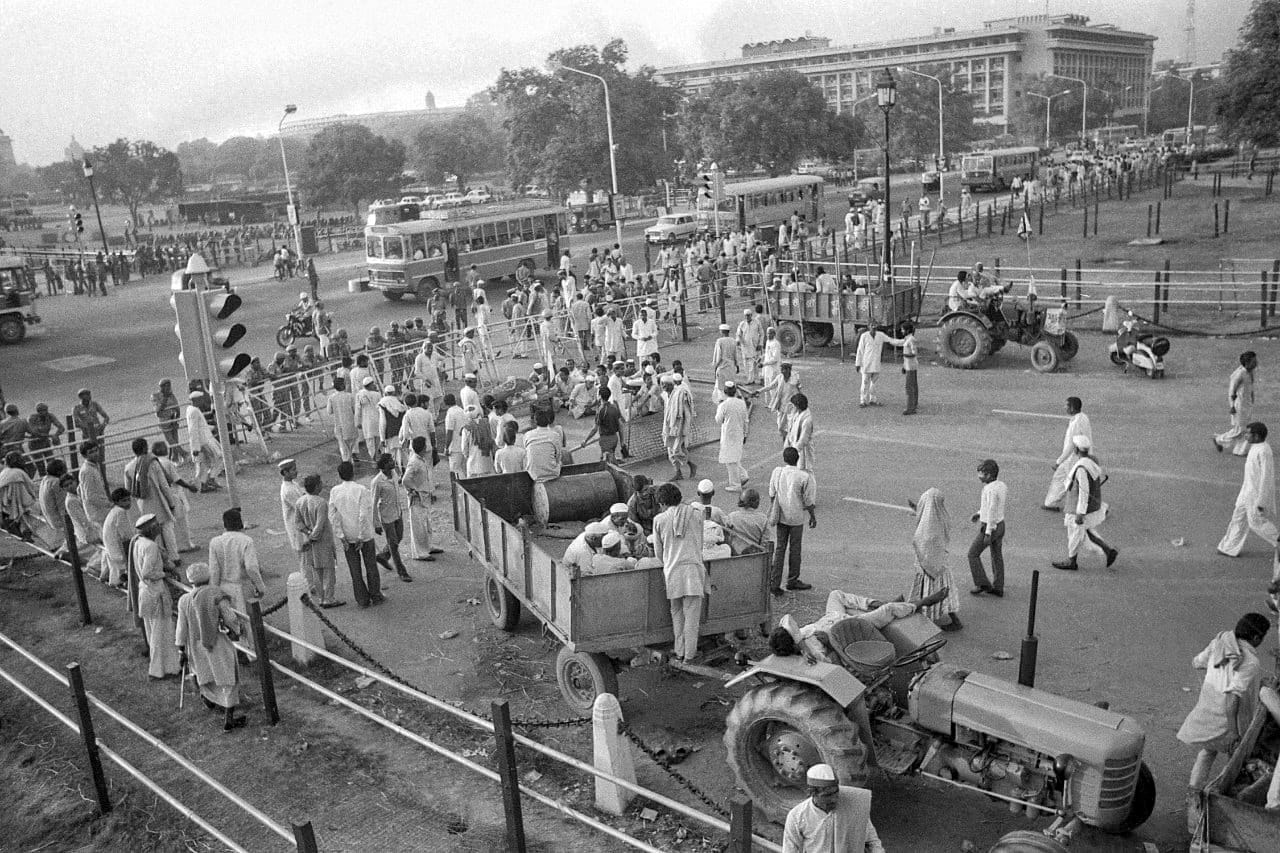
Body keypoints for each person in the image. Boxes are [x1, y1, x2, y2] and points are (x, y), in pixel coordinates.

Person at [1176, 614, 1272, 790]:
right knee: (1236, 757)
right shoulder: (1250, 662)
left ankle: (1194, 790)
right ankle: (1221, 792)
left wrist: (1217, 668)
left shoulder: (1220, 643)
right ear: (1257, 637)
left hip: (1209, 709)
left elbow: (1197, 663)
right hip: (1233, 718)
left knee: (1207, 751)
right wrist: (1233, 732)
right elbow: (1232, 698)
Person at [175, 562, 247, 731]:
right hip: (216, 642)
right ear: (209, 577)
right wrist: (238, 630)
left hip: (195, 644)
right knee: (228, 677)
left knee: (205, 675)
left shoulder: (184, 600)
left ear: (191, 581)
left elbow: (181, 627)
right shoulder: (216, 595)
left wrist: (181, 649)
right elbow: (229, 618)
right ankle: (229, 719)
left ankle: (211, 700)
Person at [652, 483, 707, 664]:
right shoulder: (696, 514)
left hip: (672, 572)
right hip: (693, 570)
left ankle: (680, 651)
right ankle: (689, 656)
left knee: (676, 613)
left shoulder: (659, 520)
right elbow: (700, 544)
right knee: (692, 617)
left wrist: (669, 561)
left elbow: (658, 554)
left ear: (662, 503)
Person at [782, 763, 884, 853]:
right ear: (812, 793)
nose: (834, 799)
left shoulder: (854, 805)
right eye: (827, 795)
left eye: (836, 793)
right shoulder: (797, 816)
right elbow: (790, 849)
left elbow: (872, 841)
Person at [128, 514, 182, 680]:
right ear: (151, 529)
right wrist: (165, 573)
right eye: (157, 525)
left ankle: (165, 666)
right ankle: (162, 669)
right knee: (162, 633)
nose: (159, 527)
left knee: (154, 632)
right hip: (155, 591)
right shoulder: (150, 546)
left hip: (146, 592)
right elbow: (147, 572)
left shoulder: (138, 542)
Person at [1052, 436, 1119, 571]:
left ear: (1076, 449)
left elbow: (1083, 492)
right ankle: (1107, 550)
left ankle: (1072, 560)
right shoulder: (1092, 462)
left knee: (1075, 533)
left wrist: (1080, 513)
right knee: (1086, 531)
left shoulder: (1081, 468)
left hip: (1078, 507)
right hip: (1090, 506)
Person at [1217, 422, 1279, 558]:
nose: (1245, 435)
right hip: (1247, 491)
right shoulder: (1256, 447)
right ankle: (1229, 546)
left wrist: (1262, 501)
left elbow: (1266, 478)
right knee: (1238, 517)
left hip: (1255, 494)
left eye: (1248, 433)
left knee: (1256, 522)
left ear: (1256, 436)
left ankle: (1278, 541)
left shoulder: (1264, 451)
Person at [207, 508, 265, 650]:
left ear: (225, 525)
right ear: (240, 523)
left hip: (223, 586)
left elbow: (214, 571)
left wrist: (214, 592)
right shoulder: (246, 541)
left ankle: (237, 649)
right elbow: (251, 567)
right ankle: (251, 651)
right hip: (242, 585)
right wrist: (260, 586)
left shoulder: (215, 542)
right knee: (247, 620)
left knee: (230, 620)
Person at [329, 461, 383, 607]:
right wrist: (360, 535)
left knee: (355, 569)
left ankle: (362, 599)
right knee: (370, 565)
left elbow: (332, 516)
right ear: (353, 473)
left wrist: (341, 536)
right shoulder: (361, 489)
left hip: (347, 535)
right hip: (363, 535)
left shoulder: (335, 491)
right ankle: (376, 595)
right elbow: (363, 514)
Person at [908, 487, 961, 630]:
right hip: (941, 564)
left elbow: (922, 540)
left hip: (929, 565)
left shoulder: (929, 527)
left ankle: (926, 618)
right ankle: (951, 619)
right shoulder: (941, 516)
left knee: (930, 591)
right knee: (943, 592)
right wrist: (916, 509)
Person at [768, 446, 818, 596]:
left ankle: (774, 582)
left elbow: (772, 493)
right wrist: (812, 516)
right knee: (795, 549)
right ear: (798, 459)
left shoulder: (777, 472)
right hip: (796, 517)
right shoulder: (804, 477)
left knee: (780, 548)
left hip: (781, 515)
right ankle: (792, 580)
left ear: (784, 459)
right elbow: (809, 501)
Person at [124, 436, 179, 563]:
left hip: (142, 504)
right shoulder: (152, 462)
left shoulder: (128, 467)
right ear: (145, 448)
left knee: (152, 533)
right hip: (158, 500)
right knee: (167, 528)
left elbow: (129, 490)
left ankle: (160, 559)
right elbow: (164, 485)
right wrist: (171, 502)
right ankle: (174, 557)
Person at [295, 473, 342, 607]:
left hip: (310, 541)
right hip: (322, 541)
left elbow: (298, 523)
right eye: (320, 483)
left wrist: (307, 533)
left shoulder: (300, 501)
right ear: (316, 487)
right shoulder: (321, 502)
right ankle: (328, 598)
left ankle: (321, 598)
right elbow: (320, 525)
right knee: (328, 570)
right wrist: (312, 537)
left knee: (317, 571)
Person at [1044, 397, 1093, 509]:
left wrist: (1058, 461)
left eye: (1066, 405)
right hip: (1081, 456)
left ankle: (1051, 503)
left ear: (1071, 408)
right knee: (1075, 481)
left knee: (1065, 480)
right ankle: (1050, 502)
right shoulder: (1083, 418)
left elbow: (1071, 445)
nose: (1064, 408)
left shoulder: (1075, 423)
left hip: (1073, 458)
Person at [370, 453, 413, 582]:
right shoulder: (377, 482)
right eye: (389, 461)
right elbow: (373, 503)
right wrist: (376, 523)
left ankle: (384, 555)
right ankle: (402, 571)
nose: (392, 462)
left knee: (399, 537)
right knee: (393, 544)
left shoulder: (394, 474)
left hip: (397, 512)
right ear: (383, 467)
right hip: (386, 516)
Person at [968, 459, 1007, 597]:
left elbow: (991, 510)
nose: (979, 476)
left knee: (973, 554)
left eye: (982, 474)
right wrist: (979, 513)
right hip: (1001, 524)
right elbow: (992, 507)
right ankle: (998, 586)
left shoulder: (989, 490)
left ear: (989, 475)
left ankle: (982, 583)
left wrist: (988, 532)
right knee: (997, 555)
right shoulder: (1001, 485)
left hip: (991, 526)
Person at [401, 436, 442, 561]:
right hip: (418, 497)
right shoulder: (414, 462)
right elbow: (405, 480)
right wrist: (413, 490)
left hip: (425, 495)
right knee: (418, 525)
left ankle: (428, 546)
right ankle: (420, 553)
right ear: (423, 447)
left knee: (426, 523)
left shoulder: (421, 459)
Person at [1214, 352, 1258, 456]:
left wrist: (1252, 398)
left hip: (1247, 403)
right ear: (1247, 363)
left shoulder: (1251, 372)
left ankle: (1239, 450)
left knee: (1244, 428)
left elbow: (1250, 387)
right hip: (1239, 405)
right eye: (1253, 362)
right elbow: (1232, 391)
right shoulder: (1239, 374)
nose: (1256, 363)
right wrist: (1232, 406)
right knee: (1240, 429)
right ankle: (1219, 439)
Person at [853, 323, 903, 408]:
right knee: (865, 383)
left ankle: (873, 399)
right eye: (872, 325)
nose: (873, 327)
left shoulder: (880, 335)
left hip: (876, 363)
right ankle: (863, 400)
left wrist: (904, 341)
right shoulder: (864, 336)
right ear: (868, 326)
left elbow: (891, 340)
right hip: (866, 363)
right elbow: (860, 350)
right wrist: (858, 363)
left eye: (875, 325)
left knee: (874, 383)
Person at [715, 381, 749, 492]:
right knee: (735, 457)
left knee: (730, 460)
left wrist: (719, 406)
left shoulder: (723, 405)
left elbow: (718, 420)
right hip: (739, 433)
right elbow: (746, 420)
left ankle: (735, 484)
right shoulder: (742, 403)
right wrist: (745, 433)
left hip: (728, 435)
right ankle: (743, 476)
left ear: (725, 392)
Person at [186, 391, 223, 492]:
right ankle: (211, 479)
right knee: (219, 456)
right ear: (196, 400)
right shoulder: (194, 411)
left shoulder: (192, 410)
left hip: (203, 439)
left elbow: (200, 427)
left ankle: (204, 483)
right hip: (205, 440)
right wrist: (195, 447)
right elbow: (193, 429)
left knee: (205, 463)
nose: (203, 401)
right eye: (201, 399)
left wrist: (212, 428)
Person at [100, 487, 133, 587]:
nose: (127, 503)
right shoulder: (120, 512)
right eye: (124, 501)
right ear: (117, 502)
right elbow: (126, 537)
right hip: (118, 550)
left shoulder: (114, 511)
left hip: (110, 548)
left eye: (128, 499)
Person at [152, 379, 190, 464]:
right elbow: (158, 411)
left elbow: (177, 406)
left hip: (173, 419)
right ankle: (184, 454)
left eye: (169, 385)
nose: (168, 387)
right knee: (171, 441)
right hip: (164, 421)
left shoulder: (171, 395)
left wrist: (177, 419)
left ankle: (175, 458)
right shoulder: (156, 396)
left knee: (175, 440)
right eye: (166, 385)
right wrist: (165, 398)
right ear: (162, 387)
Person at [584, 387, 624, 464]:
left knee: (606, 463)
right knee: (610, 458)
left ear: (599, 396)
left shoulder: (601, 410)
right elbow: (620, 426)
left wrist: (585, 441)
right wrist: (622, 441)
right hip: (614, 438)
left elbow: (594, 429)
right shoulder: (614, 407)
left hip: (605, 439)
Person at [279, 459, 305, 572]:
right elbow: (301, 507)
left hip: (299, 525)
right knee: (304, 559)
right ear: (285, 472)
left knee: (306, 557)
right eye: (293, 470)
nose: (296, 472)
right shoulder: (288, 490)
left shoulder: (293, 484)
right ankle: (308, 585)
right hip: (296, 527)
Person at [727, 488, 771, 555]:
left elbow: (726, 537)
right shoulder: (763, 519)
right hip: (755, 556)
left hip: (735, 556)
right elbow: (764, 543)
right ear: (757, 502)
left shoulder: (732, 517)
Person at [326, 377, 358, 463]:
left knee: (343, 446)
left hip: (339, 426)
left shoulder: (331, 398)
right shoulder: (350, 396)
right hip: (351, 424)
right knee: (352, 443)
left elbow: (329, 411)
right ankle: (353, 455)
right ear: (342, 385)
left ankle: (347, 462)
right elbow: (355, 410)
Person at [784, 393, 815, 472]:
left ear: (797, 406)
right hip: (794, 447)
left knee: (804, 472)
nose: (792, 407)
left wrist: (793, 453)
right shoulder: (796, 414)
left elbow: (804, 439)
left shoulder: (807, 420)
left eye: (793, 405)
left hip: (802, 451)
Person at [355, 376, 383, 462]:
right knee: (378, 439)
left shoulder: (359, 394)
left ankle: (373, 459)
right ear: (370, 385)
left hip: (366, 421)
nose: (374, 385)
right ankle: (378, 457)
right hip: (377, 419)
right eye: (373, 384)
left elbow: (357, 410)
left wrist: (358, 422)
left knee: (370, 441)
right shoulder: (377, 394)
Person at [710, 323, 738, 402]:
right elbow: (735, 354)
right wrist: (737, 364)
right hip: (731, 366)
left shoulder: (719, 341)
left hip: (722, 366)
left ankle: (722, 402)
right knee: (731, 384)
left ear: (722, 332)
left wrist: (716, 366)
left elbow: (718, 356)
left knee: (721, 386)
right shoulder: (733, 341)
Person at [899, 321, 920, 416]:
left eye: (903, 329)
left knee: (909, 387)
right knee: (913, 385)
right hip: (909, 365)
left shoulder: (911, 340)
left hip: (910, 365)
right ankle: (914, 404)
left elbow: (914, 353)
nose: (901, 331)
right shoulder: (908, 338)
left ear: (907, 330)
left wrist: (904, 355)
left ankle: (910, 408)